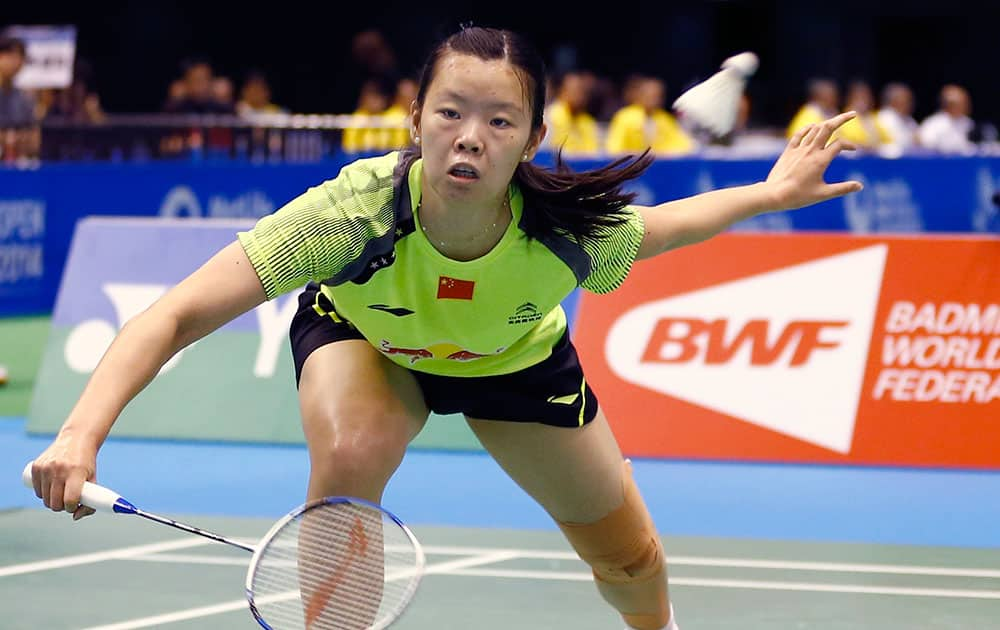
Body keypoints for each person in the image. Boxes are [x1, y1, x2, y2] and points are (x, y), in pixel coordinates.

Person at [27, 26, 863, 630]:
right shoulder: (349, 215)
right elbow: (174, 313)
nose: (470, 139)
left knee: (631, 560)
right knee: (351, 456)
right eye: (450, 113)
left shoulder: (565, 233)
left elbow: (672, 224)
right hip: (370, 345)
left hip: (513, 366)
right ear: (415, 118)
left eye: (500, 123)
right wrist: (79, 434)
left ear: (535, 138)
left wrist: (771, 194)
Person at [606, 76, 695, 156]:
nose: (654, 100)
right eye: (650, 95)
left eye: (658, 96)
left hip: (659, 165)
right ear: (640, 95)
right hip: (631, 167)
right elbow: (614, 149)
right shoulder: (624, 117)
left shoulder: (664, 119)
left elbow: (683, 146)